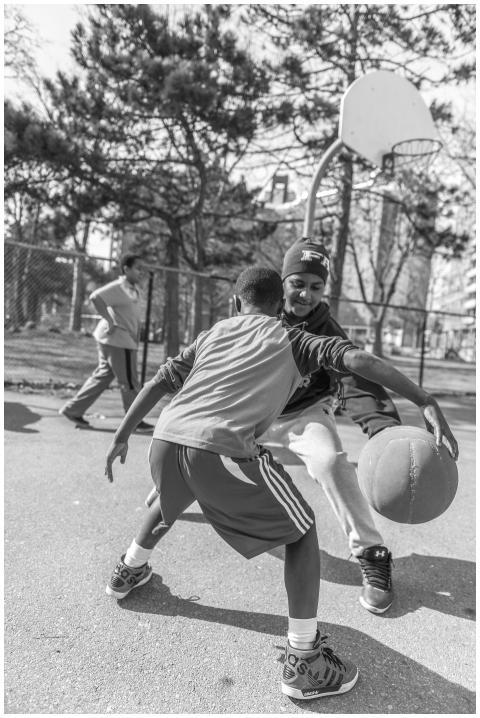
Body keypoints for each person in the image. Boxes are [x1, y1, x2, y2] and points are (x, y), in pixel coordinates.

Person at [104, 267, 457, 700]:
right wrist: (425, 399)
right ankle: (304, 661)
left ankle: (128, 569)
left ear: (236, 303)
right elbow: (360, 362)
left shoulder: (213, 333)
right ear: (279, 307)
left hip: (165, 439)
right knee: (303, 531)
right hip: (221, 448)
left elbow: (161, 380)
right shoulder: (293, 338)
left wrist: (121, 434)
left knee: (172, 498)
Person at [260, 238, 402, 614]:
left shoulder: (327, 329)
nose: (306, 293)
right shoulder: (259, 314)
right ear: (283, 281)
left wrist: (384, 428)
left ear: (324, 290)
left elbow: (355, 380)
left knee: (330, 461)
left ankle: (371, 551)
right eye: (298, 283)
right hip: (258, 414)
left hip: (305, 415)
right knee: (202, 447)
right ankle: (167, 497)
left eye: (316, 286)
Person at [59, 252, 153, 432]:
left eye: (143, 269)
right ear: (126, 269)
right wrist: (110, 320)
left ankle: (73, 410)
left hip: (120, 340)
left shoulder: (132, 289)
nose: (141, 272)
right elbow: (96, 297)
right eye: (138, 268)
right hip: (118, 340)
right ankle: (134, 421)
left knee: (102, 377)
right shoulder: (119, 286)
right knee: (130, 382)